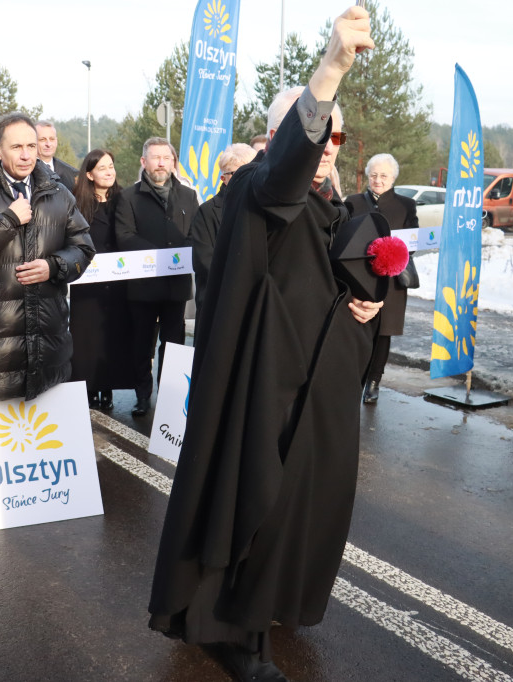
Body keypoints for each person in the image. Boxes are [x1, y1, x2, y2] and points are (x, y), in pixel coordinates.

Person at [148, 8, 382, 681]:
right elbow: (285, 172)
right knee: (252, 502)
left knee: (306, 505)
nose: (329, 142)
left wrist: (369, 299)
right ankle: (234, 634)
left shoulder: (337, 203)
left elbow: (340, 274)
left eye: (337, 134)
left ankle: (272, 602)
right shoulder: (259, 185)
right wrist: (331, 68)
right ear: (279, 136)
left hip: (321, 381)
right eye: (319, 129)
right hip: (263, 382)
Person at [0, 112, 94, 402]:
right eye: (16, 147)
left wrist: (54, 266)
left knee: (47, 427)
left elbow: (83, 248)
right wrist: (8, 220)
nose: (26, 156)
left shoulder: (59, 193)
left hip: (49, 340)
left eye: (31, 146)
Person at [114, 137, 199, 417]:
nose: (161, 163)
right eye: (155, 157)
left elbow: (195, 233)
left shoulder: (188, 195)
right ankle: (142, 395)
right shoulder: (129, 197)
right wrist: (160, 256)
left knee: (174, 343)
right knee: (142, 343)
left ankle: (170, 397)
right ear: (144, 162)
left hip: (176, 286)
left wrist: (179, 254)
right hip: (143, 285)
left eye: (167, 158)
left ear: (173, 162)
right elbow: (124, 236)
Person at [346, 153, 419, 404]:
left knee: (383, 333)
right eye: (374, 175)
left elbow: (413, 242)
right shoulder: (353, 202)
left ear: (393, 178)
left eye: (384, 176)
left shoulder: (406, 205)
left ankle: (374, 381)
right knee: (357, 328)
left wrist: (394, 250)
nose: (378, 180)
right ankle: (354, 379)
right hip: (360, 277)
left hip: (391, 279)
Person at [69, 149, 133, 409]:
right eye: (102, 168)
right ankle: (87, 388)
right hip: (87, 281)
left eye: (111, 166)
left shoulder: (124, 199)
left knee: (113, 335)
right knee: (86, 336)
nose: (109, 172)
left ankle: (107, 388)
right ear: (89, 174)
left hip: (118, 280)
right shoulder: (76, 203)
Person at [188, 143, 257, 312]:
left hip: (254, 301)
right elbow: (205, 260)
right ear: (223, 178)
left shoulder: (261, 207)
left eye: (250, 171)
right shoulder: (207, 211)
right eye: (237, 173)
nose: (245, 177)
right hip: (219, 300)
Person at [35, 121, 77, 190]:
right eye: (42, 140)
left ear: (56, 141)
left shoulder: (70, 173)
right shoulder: (25, 171)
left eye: (52, 139)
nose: (48, 144)